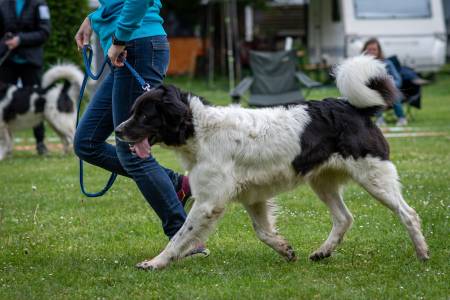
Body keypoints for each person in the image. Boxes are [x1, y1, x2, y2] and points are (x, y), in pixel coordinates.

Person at [73, 0, 208, 265]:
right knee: (86, 142)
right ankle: (177, 184)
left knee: (131, 150)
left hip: (137, 46)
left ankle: (186, 239)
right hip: (129, 46)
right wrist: (94, 18)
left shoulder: (128, 39)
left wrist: (120, 37)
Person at [0, 0, 51, 155]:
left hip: (31, 62)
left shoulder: (39, 4)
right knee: (3, 109)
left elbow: (44, 32)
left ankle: (40, 143)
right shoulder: (3, 3)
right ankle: (6, 146)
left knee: (38, 104)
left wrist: (20, 39)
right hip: (7, 61)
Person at [362, 38, 409, 126]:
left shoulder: (387, 63)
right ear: (364, 50)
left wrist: (390, 87)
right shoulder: (361, 65)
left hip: (389, 91)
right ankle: (379, 119)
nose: (371, 52)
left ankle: (401, 118)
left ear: (379, 51)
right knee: (375, 95)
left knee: (392, 94)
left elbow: (398, 79)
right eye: (369, 49)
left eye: (374, 49)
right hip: (370, 93)